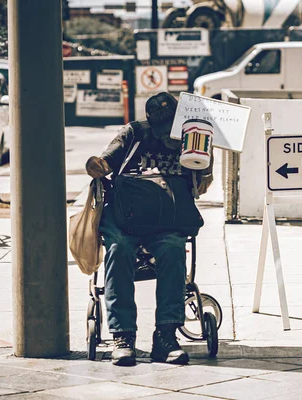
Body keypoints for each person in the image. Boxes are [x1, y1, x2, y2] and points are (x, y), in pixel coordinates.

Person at [85, 92, 213, 366]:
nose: (167, 135)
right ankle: (123, 336)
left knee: (172, 248)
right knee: (119, 250)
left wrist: (205, 163)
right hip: (126, 217)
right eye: (162, 129)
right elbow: (107, 160)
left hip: (168, 216)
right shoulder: (134, 133)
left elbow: (201, 184)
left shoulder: (191, 138)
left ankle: (165, 335)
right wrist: (98, 165)